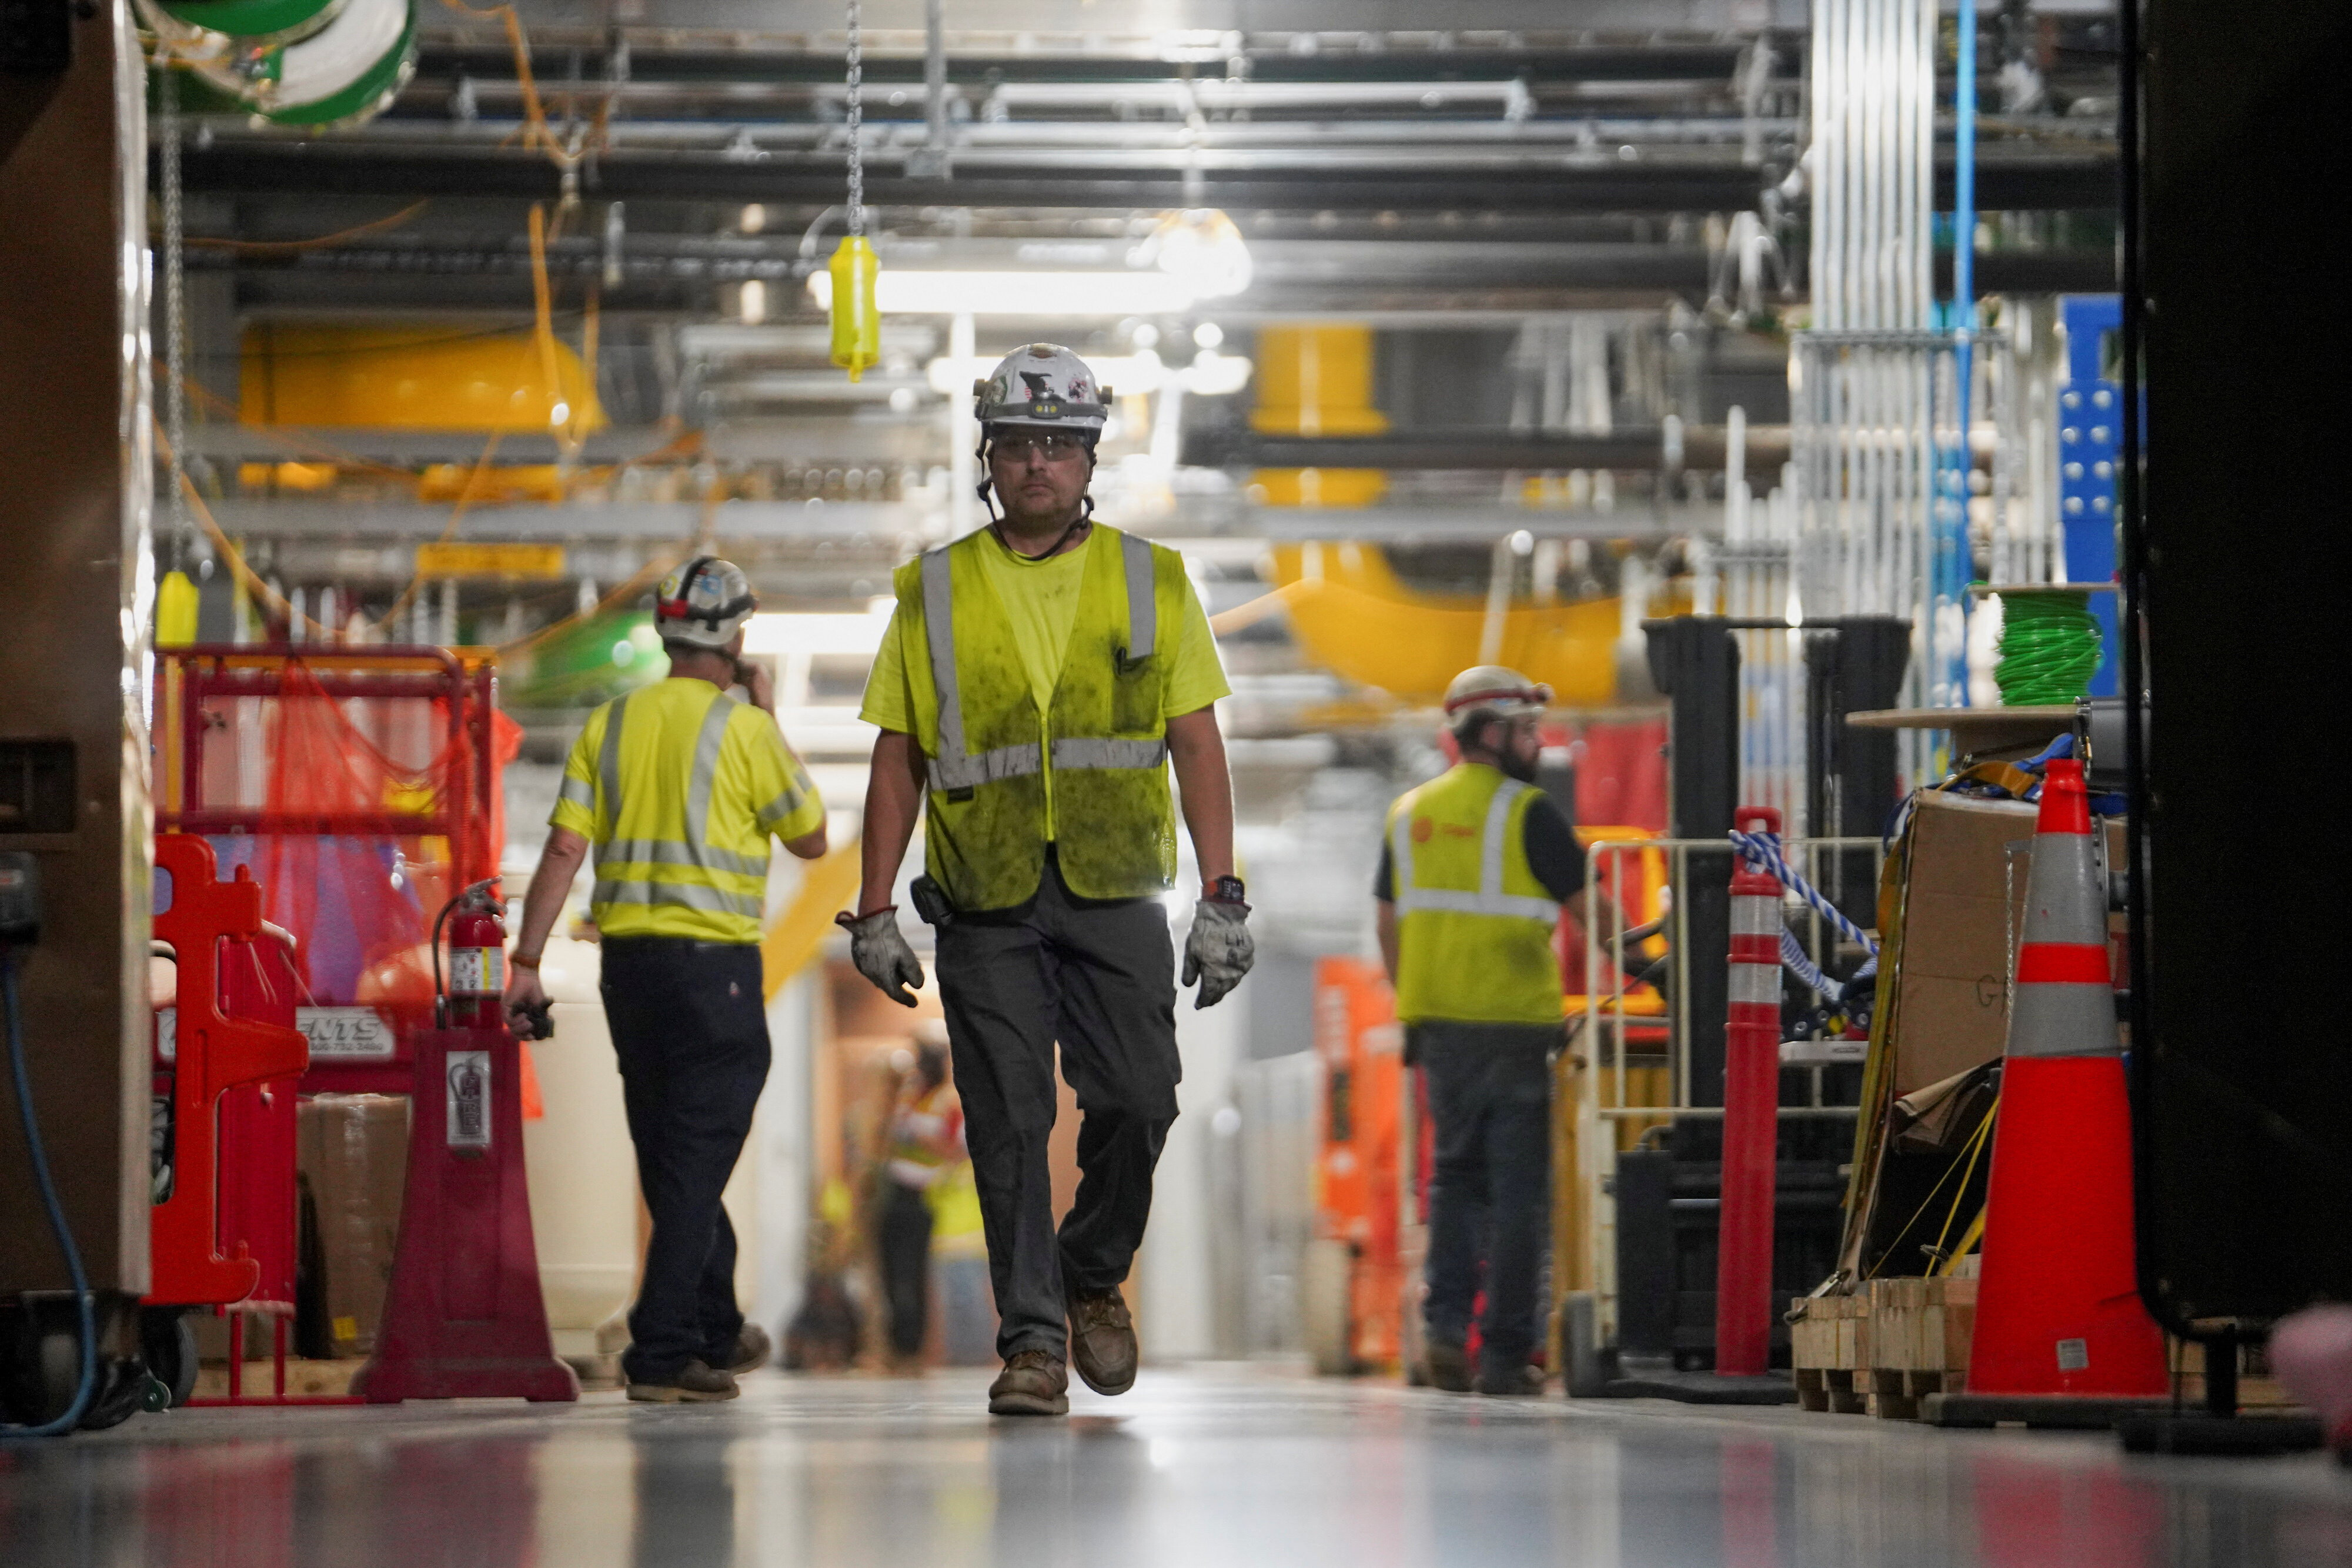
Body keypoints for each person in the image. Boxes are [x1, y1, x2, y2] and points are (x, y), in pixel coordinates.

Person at [838, 343, 1252, 1417]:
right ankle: (1031, 1341)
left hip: (1117, 891)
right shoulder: (934, 591)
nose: (1038, 466)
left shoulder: (1150, 579)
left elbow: (1197, 742)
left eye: (1059, 448)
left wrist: (1222, 893)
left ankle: (1092, 1270)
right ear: (989, 456)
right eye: (1019, 446)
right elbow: (899, 755)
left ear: (1088, 460)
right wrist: (876, 903)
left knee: (1139, 1098)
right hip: (987, 898)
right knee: (1010, 1117)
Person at [503, 556, 828, 1403]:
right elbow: (812, 836)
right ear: (738, 639)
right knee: (693, 1156)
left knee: (672, 1152)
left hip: (630, 973)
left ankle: (715, 1325)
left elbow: (565, 850)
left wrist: (528, 961)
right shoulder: (744, 731)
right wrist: (769, 715)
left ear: (665, 628)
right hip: (713, 973)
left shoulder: (609, 726)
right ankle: (662, 1349)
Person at [1374, 666, 1593, 1397]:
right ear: (1494, 734)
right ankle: (1502, 1355)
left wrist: (1411, 1002)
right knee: (1518, 1194)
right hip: (1517, 1029)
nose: (1537, 744)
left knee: (1454, 1184)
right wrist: (1656, 967)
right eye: (1527, 730)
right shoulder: (1529, 813)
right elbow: (1593, 908)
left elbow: (1387, 918)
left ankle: (1443, 1333)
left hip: (1440, 1030)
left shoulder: (1408, 815)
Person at [875, 1035, 965, 1369]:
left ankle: (911, 1350)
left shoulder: (948, 1102)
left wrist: (923, 1139)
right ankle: (894, 1346)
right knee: (891, 1272)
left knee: (912, 1275)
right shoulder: (908, 1096)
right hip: (892, 1192)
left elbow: (958, 1151)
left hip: (923, 1196)